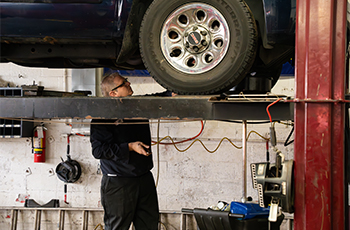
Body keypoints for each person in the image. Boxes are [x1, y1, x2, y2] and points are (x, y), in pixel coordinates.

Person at [90, 72, 171, 230]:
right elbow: (98, 151)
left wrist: (171, 93)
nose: (128, 83)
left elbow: (155, 99)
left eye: (126, 80)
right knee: (117, 227)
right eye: (123, 83)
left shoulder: (138, 107)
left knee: (149, 225)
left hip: (143, 178)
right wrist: (130, 146)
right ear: (113, 93)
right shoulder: (102, 117)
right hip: (119, 182)